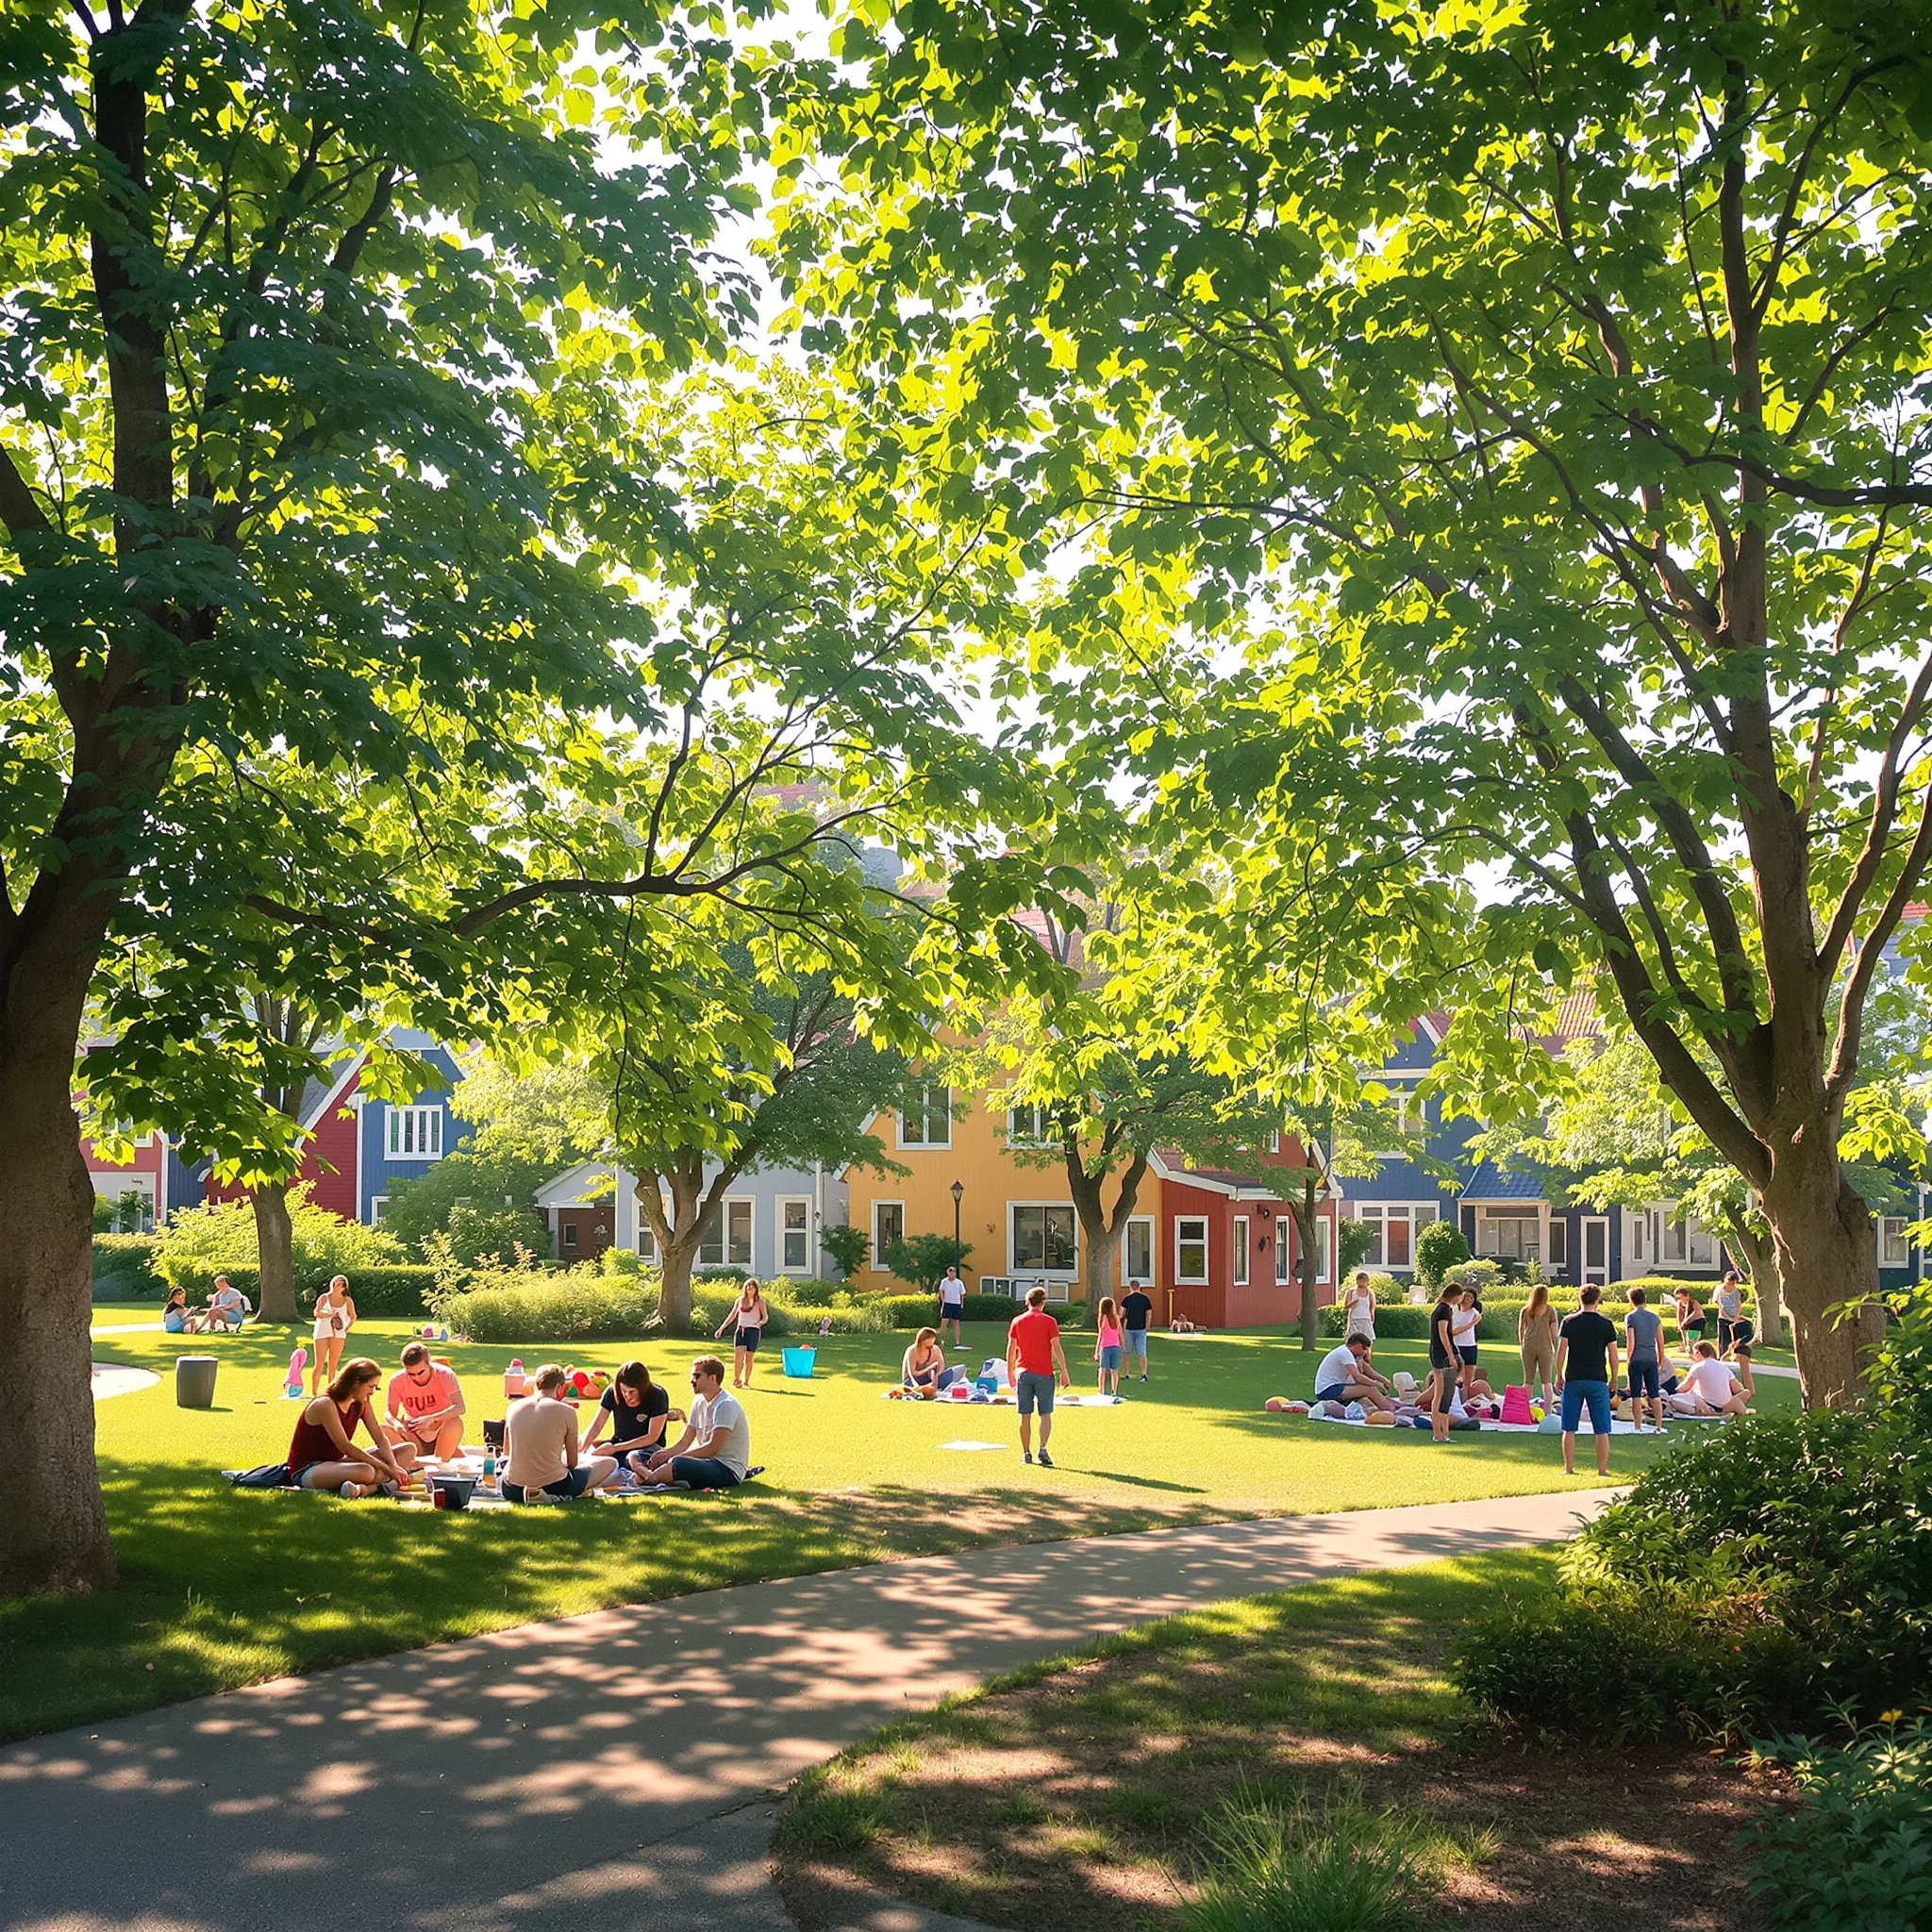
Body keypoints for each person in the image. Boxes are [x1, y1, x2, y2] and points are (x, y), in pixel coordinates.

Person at [286, 1357, 414, 1497]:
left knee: (408, 1450)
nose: (372, 1392)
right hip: (309, 1468)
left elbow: (380, 1438)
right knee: (367, 1471)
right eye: (371, 1387)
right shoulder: (325, 1404)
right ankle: (375, 1487)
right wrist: (386, 1468)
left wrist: (393, 1465)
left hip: (337, 1463)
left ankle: (364, 1489)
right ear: (356, 1383)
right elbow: (345, 1446)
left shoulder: (361, 1403)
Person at [502, 1363, 618, 1501]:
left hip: (512, 1488)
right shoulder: (567, 1411)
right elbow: (573, 1463)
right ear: (559, 1387)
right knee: (610, 1463)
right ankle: (548, 1495)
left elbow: (506, 1453)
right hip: (555, 1486)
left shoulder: (513, 1407)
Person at [640, 1357, 752, 1490]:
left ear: (712, 1378)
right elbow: (685, 1441)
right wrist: (665, 1454)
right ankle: (659, 1476)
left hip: (727, 1469)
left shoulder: (726, 1405)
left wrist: (673, 1458)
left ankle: (651, 1479)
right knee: (655, 1456)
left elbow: (712, 1448)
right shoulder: (698, 1401)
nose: (692, 1381)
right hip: (705, 1462)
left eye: (697, 1376)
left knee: (678, 1463)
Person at [1556, 1285, 1620, 1478]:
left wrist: (1558, 1374)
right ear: (1597, 1299)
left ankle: (1568, 1468)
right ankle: (1602, 1470)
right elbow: (1613, 1354)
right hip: (1597, 1378)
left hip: (1574, 1377)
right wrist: (1615, 1377)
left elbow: (1561, 1351)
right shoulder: (1606, 1324)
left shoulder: (1568, 1322)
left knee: (1569, 1427)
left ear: (1579, 1299)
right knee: (1602, 1429)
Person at [1007, 1285, 1072, 1467]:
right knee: (1045, 1413)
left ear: (1027, 1302)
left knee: (1024, 1414)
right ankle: (1042, 1448)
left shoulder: (1017, 1321)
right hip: (1044, 1372)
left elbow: (1011, 1348)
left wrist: (1010, 1372)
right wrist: (1064, 1371)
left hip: (1023, 1372)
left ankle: (1026, 1453)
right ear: (1043, 1302)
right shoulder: (1049, 1322)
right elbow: (1057, 1348)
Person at [581, 1359, 675, 1474]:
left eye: (632, 1392)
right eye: (624, 1391)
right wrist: (583, 1449)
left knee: (633, 1457)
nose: (627, 1396)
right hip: (619, 1443)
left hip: (648, 1448)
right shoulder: (612, 1393)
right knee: (591, 1448)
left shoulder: (657, 1395)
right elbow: (596, 1425)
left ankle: (647, 1476)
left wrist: (615, 1448)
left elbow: (652, 1437)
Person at [386, 1342, 467, 1462]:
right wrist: (396, 1424)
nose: (416, 1378)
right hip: (414, 1435)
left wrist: (433, 1418)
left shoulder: (445, 1374)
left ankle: (442, 1456)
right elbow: (389, 1413)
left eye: (421, 1372)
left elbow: (460, 1407)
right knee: (382, 1429)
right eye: (411, 1374)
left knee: (455, 1421)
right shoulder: (397, 1380)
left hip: (441, 1431)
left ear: (429, 1363)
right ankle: (415, 1461)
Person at [1622, 1286, 1667, 1433]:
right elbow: (1660, 1341)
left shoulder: (1631, 1317)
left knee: (1635, 1393)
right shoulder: (1655, 1318)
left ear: (1631, 1300)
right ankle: (1659, 1425)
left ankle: (1637, 1426)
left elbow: (1631, 1341)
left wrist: (1629, 1359)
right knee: (1654, 1393)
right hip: (1651, 1358)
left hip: (1636, 1358)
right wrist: (1660, 1358)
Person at [1313, 1334, 1394, 1414]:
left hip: (1338, 1387)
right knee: (1370, 1390)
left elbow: (1370, 1372)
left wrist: (1383, 1380)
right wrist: (1376, 1384)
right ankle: (1392, 1413)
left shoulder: (1354, 1356)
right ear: (1357, 1345)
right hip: (1327, 1390)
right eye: (1364, 1348)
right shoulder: (1345, 1353)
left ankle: (1386, 1408)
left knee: (1368, 1399)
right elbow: (1358, 1377)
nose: (1365, 1352)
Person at [713, 1278, 770, 1390]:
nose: (749, 1289)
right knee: (738, 1355)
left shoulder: (760, 1301)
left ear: (756, 1289)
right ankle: (736, 1380)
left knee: (749, 1357)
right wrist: (721, 1329)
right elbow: (732, 1315)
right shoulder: (740, 1300)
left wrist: (760, 1323)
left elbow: (765, 1317)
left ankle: (746, 1381)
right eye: (747, 1286)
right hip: (741, 1330)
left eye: (752, 1287)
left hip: (753, 1331)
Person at [1678, 1341, 1751, 1417]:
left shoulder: (1698, 1366)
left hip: (1708, 1404)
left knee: (1691, 1393)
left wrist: (1674, 1391)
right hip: (1725, 1404)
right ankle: (1730, 1410)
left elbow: (1685, 1387)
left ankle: (1716, 1411)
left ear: (1698, 1353)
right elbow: (1738, 1389)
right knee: (1746, 1393)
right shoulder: (1723, 1366)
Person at [309, 1275, 356, 1394]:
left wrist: (346, 1328)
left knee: (333, 1363)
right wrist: (328, 1315)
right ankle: (314, 1392)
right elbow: (316, 1312)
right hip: (322, 1331)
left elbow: (353, 1316)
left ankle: (330, 1391)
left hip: (338, 1333)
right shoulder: (324, 1297)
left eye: (340, 1284)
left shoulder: (347, 1300)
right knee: (319, 1363)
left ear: (344, 1287)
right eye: (335, 1283)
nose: (336, 1286)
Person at [1427, 1283, 1460, 1443]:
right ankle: (1438, 1433)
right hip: (1441, 1355)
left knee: (1441, 1395)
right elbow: (1443, 1333)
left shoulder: (1439, 1308)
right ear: (1455, 1296)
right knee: (1441, 1395)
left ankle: (1442, 1432)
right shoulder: (1444, 1309)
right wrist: (1450, 1354)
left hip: (1436, 1353)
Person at [1518, 1283, 1559, 1408]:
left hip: (1528, 1347)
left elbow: (1521, 1329)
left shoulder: (1525, 1310)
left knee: (1528, 1381)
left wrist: (1523, 1344)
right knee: (1546, 1381)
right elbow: (1554, 1332)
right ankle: (1548, 1410)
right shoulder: (1550, 1310)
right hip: (1545, 1347)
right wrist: (1551, 1344)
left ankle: (1524, 1409)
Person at [901, 1328, 962, 1396]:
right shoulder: (912, 1351)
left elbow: (941, 1366)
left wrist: (936, 1376)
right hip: (914, 1381)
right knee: (916, 1388)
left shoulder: (935, 1349)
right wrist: (929, 1368)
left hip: (931, 1380)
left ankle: (932, 1389)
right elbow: (913, 1374)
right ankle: (923, 1390)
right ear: (922, 1341)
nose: (931, 1346)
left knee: (960, 1369)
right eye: (929, 1343)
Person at [1451, 1285, 1482, 1394]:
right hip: (1456, 1346)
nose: (1470, 1300)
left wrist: (1473, 1323)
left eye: (1472, 1298)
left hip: (1470, 1346)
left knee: (1468, 1378)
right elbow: (1453, 1331)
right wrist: (1470, 1325)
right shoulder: (1453, 1310)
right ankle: (1457, 1399)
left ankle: (1466, 1400)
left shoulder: (1474, 1312)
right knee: (1458, 1376)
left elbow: (1479, 1316)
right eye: (1468, 1297)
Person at [1121, 1281, 1154, 1382]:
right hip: (1141, 1328)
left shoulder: (1127, 1299)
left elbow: (1121, 1313)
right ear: (1139, 1287)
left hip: (1129, 1328)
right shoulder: (1145, 1299)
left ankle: (1126, 1373)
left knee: (1126, 1352)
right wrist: (1147, 1326)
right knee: (1142, 1352)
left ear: (1130, 1287)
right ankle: (1144, 1374)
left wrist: (1121, 1324)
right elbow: (1149, 1313)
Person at [1093, 1295, 1124, 1398]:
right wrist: (1121, 1344)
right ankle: (1114, 1391)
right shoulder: (1115, 1317)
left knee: (1102, 1369)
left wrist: (1097, 1350)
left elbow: (1101, 1335)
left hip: (1105, 1347)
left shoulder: (1103, 1318)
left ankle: (1101, 1390)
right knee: (1114, 1370)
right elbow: (1120, 1332)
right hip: (1115, 1346)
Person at [1715, 1271, 1749, 1356]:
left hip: (1734, 1317)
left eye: (1732, 1282)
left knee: (1734, 1339)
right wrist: (1727, 1317)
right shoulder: (1719, 1290)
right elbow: (1720, 1306)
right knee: (1723, 1339)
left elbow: (1738, 1304)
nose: (1730, 1284)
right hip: (1723, 1318)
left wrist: (1736, 1317)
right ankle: (1722, 1356)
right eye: (1729, 1281)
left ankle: (1734, 1355)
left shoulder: (1736, 1291)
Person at [937, 1265, 967, 1349]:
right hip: (947, 1304)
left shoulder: (959, 1283)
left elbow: (962, 1294)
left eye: (953, 1272)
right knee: (944, 1323)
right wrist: (943, 1301)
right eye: (950, 1272)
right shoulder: (944, 1282)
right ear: (948, 1273)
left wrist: (961, 1304)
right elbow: (941, 1291)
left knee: (956, 1323)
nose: (952, 1273)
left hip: (956, 1304)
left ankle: (957, 1342)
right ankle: (942, 1341)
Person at [1342, 1271, 1376, 1343]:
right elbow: (1346, 1306)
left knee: (1367, 1340)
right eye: (1361, 1280)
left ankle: (1367, 1354)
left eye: (1364, 1281)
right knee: (1354, 1340)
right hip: (1354, 1319)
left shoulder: (1370, 1293)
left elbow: (1372, 1305)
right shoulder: (1351, 1292)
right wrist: (1354, 1302)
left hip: (1366, 1318)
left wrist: (1372, 1315)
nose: (1363, 1283)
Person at [1673, 1285, 1707, 1351]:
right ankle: (1685, 1345)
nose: (1679, 1299)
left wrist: (1685, 1321)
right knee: (1683, 1331)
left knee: (1693, 1340)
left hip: (1697, 1321)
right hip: (1688, 1322)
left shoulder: (1693, 1302)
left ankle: (1693, 1349)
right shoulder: (1680, 1303)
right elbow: (1679, 1314)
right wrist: (1680, 1324)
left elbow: (1695, 1313)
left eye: (1681, 1297)